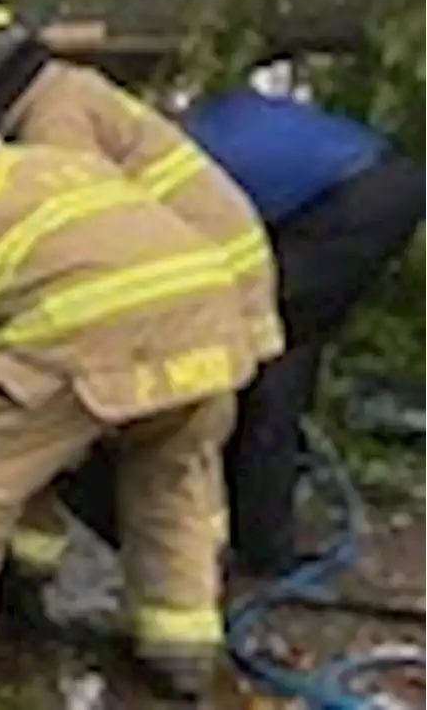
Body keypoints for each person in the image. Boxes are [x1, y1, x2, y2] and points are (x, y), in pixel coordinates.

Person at [0, 113, 258, 709]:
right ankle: (181, 652)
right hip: (206, 325)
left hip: (96, 335)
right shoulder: (63, 161)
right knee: (172, 483)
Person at [0, 4, 282, 610]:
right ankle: (187, 615)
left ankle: (79, 572)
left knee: (131, 432)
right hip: (206, 277)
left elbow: (72, 242)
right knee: (182, 448)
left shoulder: (56, 123)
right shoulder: (70, 92)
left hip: (182, 285)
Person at [62, 89, 427, 576]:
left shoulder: (177, 162)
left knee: (266, 357)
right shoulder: (206, 123)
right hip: (359, 191)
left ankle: (259, 542)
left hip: (351, 202)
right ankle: (257, 524)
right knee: (274, 349)